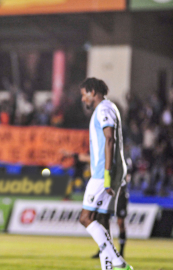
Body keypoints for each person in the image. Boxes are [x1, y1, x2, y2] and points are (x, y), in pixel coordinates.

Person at [78, 78, 132, 270]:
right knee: (101, 221)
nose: (83, 99)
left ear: (93, 92)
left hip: (104, 172)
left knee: (85, 218)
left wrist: (107, 175)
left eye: (84, 94)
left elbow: (109, 139)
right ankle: (108, 268)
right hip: (106, 171)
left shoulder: (103, 109)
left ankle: (119, 263)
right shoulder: (107, 108)